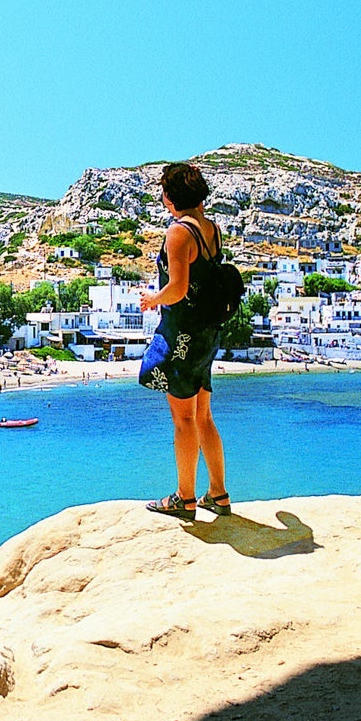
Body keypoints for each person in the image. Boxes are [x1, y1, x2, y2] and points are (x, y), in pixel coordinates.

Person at [139, 162, 230, 518]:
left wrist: (152, 300)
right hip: (207, 332)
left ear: (170, 195)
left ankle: (185, 498)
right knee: (204, 415)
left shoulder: (179, 232)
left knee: (184, 420)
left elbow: (177, 289)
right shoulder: (212, 229)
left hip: (183, 336)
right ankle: (218, 494)